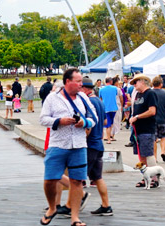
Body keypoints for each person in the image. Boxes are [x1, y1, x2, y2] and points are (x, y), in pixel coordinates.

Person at [40, 68, 97, 226]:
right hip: (58, 144)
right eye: (78, 81)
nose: (81, 84)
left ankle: (75, 217)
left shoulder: (84, 98)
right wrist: (59, 121)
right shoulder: (52, 98)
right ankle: (52, 208)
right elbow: (43, 119)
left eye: (81, 82)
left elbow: (95, 118)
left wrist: (84, 122)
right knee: (50, 179)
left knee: (77, 181)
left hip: (78, 145)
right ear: (67, 82)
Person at [80, 77, 113, 216]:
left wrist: (82, 139)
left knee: (77, 177)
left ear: (85, 89)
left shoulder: (88, 102)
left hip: (90, 145)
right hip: (99, 143)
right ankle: (106, 206)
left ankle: (73, 204)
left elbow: (88, 127)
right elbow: (105, 121)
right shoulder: (99, 102)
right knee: (97, 177)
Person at [129, 75, 157, 188]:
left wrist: (137, 117)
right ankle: (145, 177)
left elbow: (152, 111)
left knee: (148, 154)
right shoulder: (138, 95)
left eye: (136, 82)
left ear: (142, 82)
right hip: (137, 130)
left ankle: (154, 178)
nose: (134, 85)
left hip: (147, 129)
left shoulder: (150, 94)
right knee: (141, 156)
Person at [152, 76, 165, 162]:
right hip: (162, 119)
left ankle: (155, 157)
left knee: (153, 138)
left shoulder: (150, 93)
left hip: (152, 119)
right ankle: (163, 152)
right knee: (164, 136)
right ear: (161, 84)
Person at [98, 77, 119, 145]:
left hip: (106, 108)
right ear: (111, 81)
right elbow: (115, 95)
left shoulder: (101, 89)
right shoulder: (115, 88)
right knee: (111, 123)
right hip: (114, 108)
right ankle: (110, 136)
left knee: (108, 124)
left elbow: (100, 98)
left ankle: (108, 138)